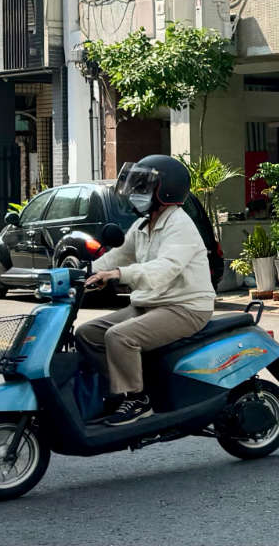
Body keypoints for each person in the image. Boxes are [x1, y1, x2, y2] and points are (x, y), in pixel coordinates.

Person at [76, 155, 214, 427]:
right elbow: (118, 256)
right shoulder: (142, 226)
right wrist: (85, 272)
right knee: (88, 334)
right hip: (150, 304)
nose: (136, 193)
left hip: (184, 308)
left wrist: (118, 275)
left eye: (143, 186)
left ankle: (137, 400)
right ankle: (117, 392)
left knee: (119, 337)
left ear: (165, 190)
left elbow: (164, 269)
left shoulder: (180, 225)